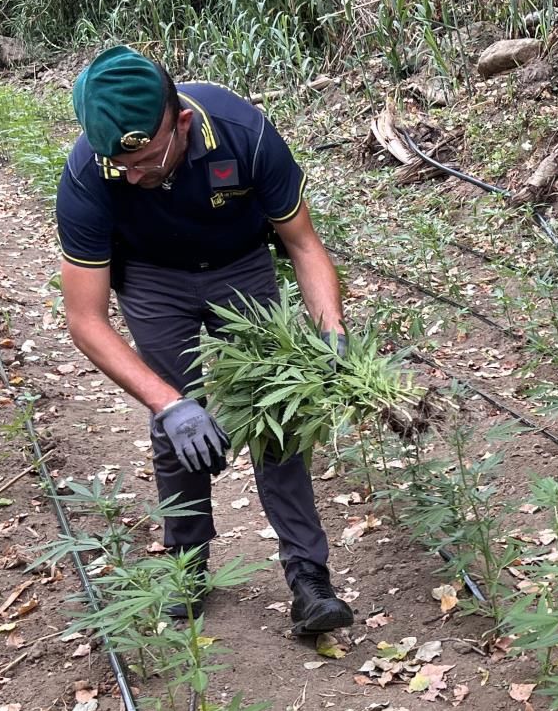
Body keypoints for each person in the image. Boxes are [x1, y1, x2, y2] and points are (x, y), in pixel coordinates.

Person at [54, 44, 354, 637]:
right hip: (151, 278)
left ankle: (308, 578)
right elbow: (85, 319)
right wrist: (169, 404)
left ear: (181, 122)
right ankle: (188, 564)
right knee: (178, 424)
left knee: (277, 411)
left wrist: (331, 332)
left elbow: (302, 244)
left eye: (144, 159)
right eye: (122, 166)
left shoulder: (244, 133)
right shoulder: (90, 172)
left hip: (240, 264)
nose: (133, 175)